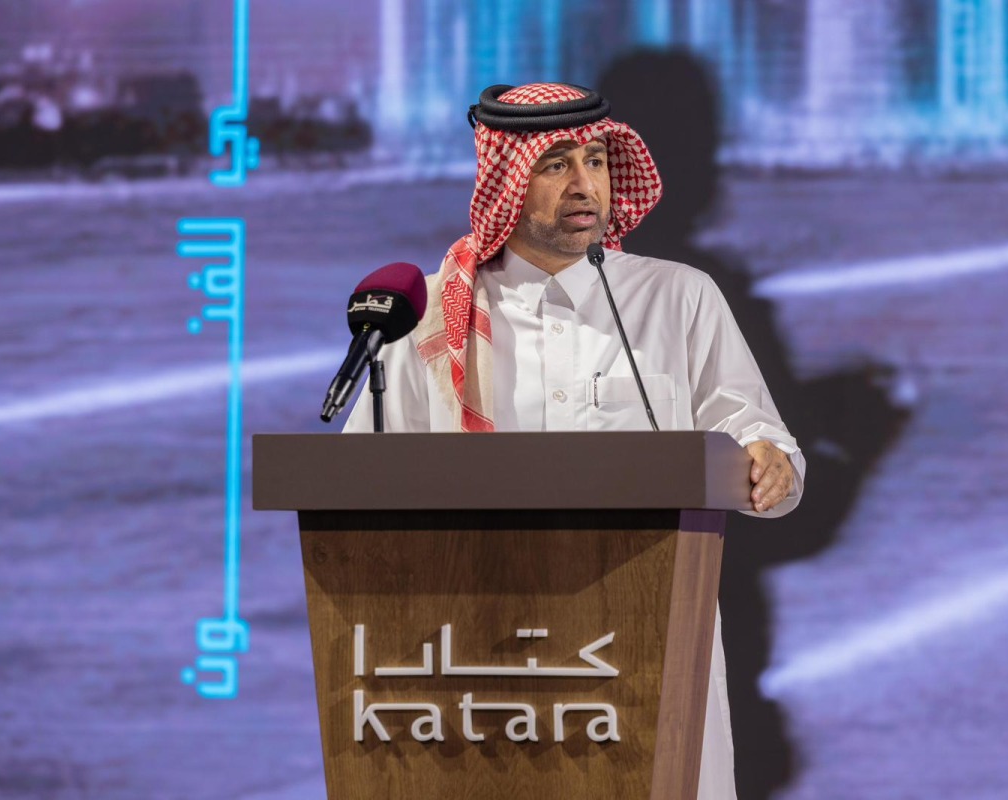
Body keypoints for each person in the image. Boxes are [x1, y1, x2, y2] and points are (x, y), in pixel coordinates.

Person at [344, 82, 804, 798]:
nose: (584, 184)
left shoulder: (678, 297)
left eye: (595, 160)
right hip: (477, 649)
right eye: (555, 164)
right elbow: (357, 485)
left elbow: (754, 431)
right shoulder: (430, 317)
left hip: (648, 637)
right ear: (505, 180)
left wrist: (772, 464)